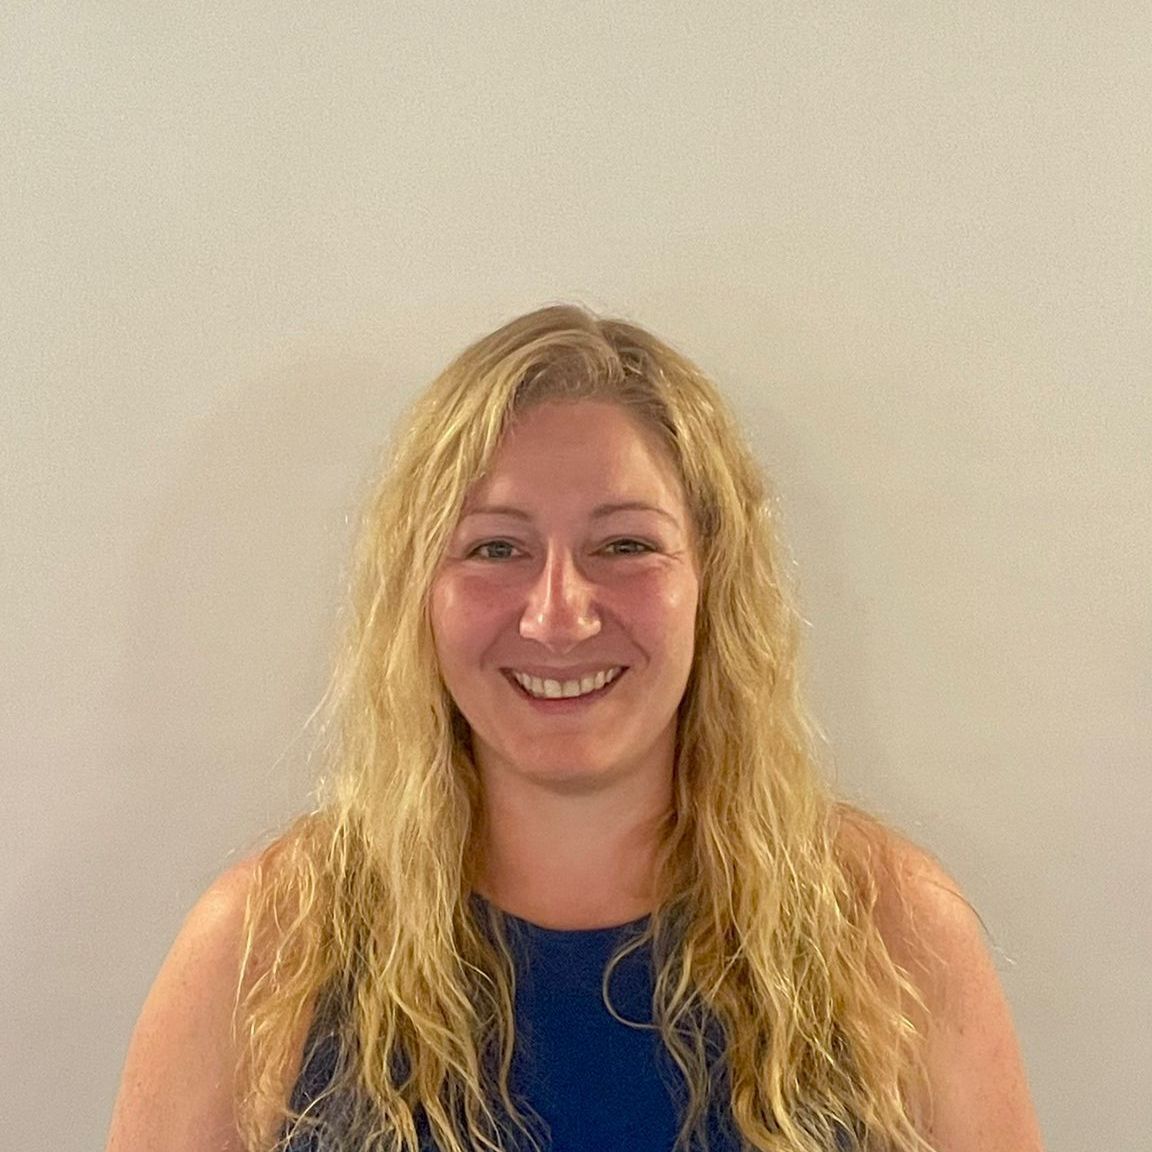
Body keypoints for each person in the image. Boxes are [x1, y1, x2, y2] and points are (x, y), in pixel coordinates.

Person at [106, 305, 1044, 1152]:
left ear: (713, 581)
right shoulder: (266, 948)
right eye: (496, 548)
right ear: (418, 593)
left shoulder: (891, 932)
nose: (559, 616)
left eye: (625, 544)